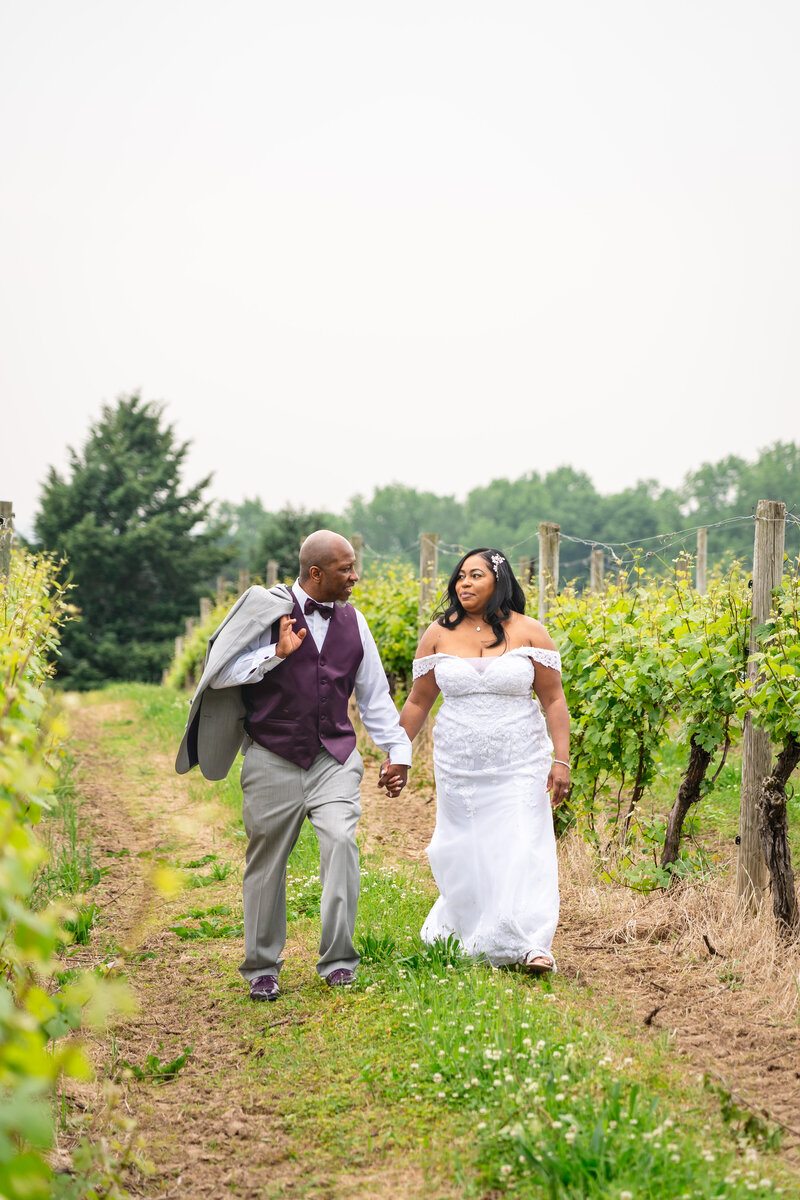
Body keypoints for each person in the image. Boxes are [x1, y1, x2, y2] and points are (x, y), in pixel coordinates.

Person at [176, 531, 410, 1000]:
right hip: (272, 756)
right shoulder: (265, 613)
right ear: (316, 573)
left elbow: (374, 696)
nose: (355, 576)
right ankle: (262, 966)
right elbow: (218, 674)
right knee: (266, 862)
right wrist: (273, 655)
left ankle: (339, 961)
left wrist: (397, 751)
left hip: (334, 759)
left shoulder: (355, 623)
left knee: (342, 842)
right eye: (346, 569)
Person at [395, 548, 570, 973]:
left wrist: (561, 760)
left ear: (499, 580)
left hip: (521, 761)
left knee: (520, 845)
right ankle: (471, 927)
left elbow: (553, 698)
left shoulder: (529, 632)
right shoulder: (437, 633)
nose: (464, 583)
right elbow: (419, 701)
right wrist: (398, 755)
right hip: (458, 766)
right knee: (465, 850)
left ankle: (531, 943)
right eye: (459, 577)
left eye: (475, 575)